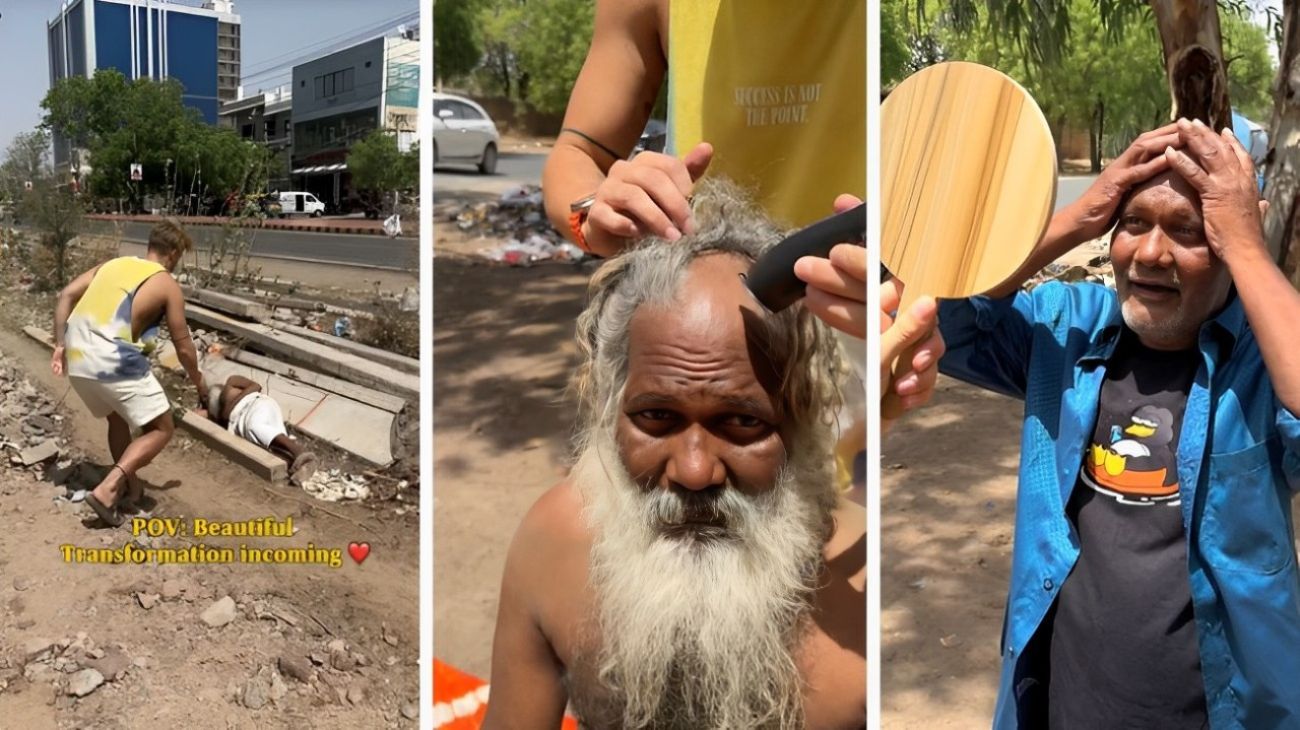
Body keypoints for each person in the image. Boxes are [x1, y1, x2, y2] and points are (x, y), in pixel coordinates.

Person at [929, 119, 1300, 727]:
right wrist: (1079, 215)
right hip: (1067, 706)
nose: (1151, 254)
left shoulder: (1264, 361)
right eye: (1133, 224)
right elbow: (947, 317)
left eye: (1189, 231)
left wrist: (1249, 248)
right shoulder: (1065, 329)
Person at [482, 181, 865, 729]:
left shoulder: (859, 612)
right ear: (608, 411)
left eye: (742, 423)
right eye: (656, 418)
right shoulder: (553, 544)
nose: (692, 471)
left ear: (800, 422)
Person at [52, 219, 206, 528]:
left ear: (151, 245)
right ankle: (108, 489)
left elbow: (66, 295)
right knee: (161, 428)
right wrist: (200, 383)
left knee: (116, 417)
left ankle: (129, 485)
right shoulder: (166, 283)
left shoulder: (113, 265)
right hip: (112, 360)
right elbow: (185, 349)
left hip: (78, 356)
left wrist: (59, 345)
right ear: (173, 254)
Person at [204, 375, 317, 485]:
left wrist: (231, 406)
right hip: (245, 420)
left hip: (256, 405)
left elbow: (256, 386)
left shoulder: (231, 381)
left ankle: (299, 451)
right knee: (263, 444)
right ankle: (300, 468)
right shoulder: (222, 415)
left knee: (254, 426)